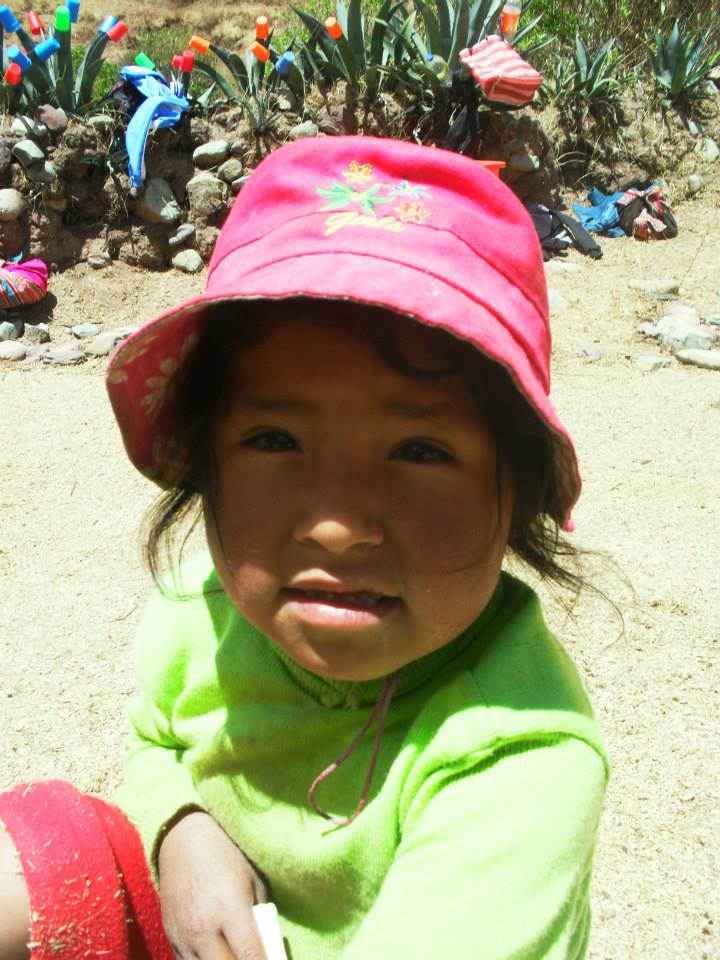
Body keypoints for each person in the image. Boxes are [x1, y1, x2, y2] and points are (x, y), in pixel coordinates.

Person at [0, 135, 609, 960]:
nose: (336, 526)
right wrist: (180, 826)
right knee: (45, 847)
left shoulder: (518, 758)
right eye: (275, 439)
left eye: (420, 450)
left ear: (521, 494)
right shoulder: (203, 611)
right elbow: (157, 741)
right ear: (204, 459)